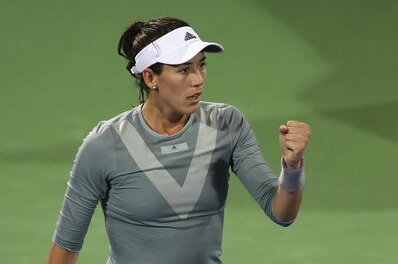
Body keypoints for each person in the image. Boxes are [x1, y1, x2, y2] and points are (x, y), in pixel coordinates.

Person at [46, 17, 312, 264]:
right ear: (151, 78)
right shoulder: (104, 145)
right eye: (184, 70)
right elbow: (66, 248)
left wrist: (292, 168)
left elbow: (281, 212)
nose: (198, 80)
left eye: (201, 65)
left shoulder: (227, 124)